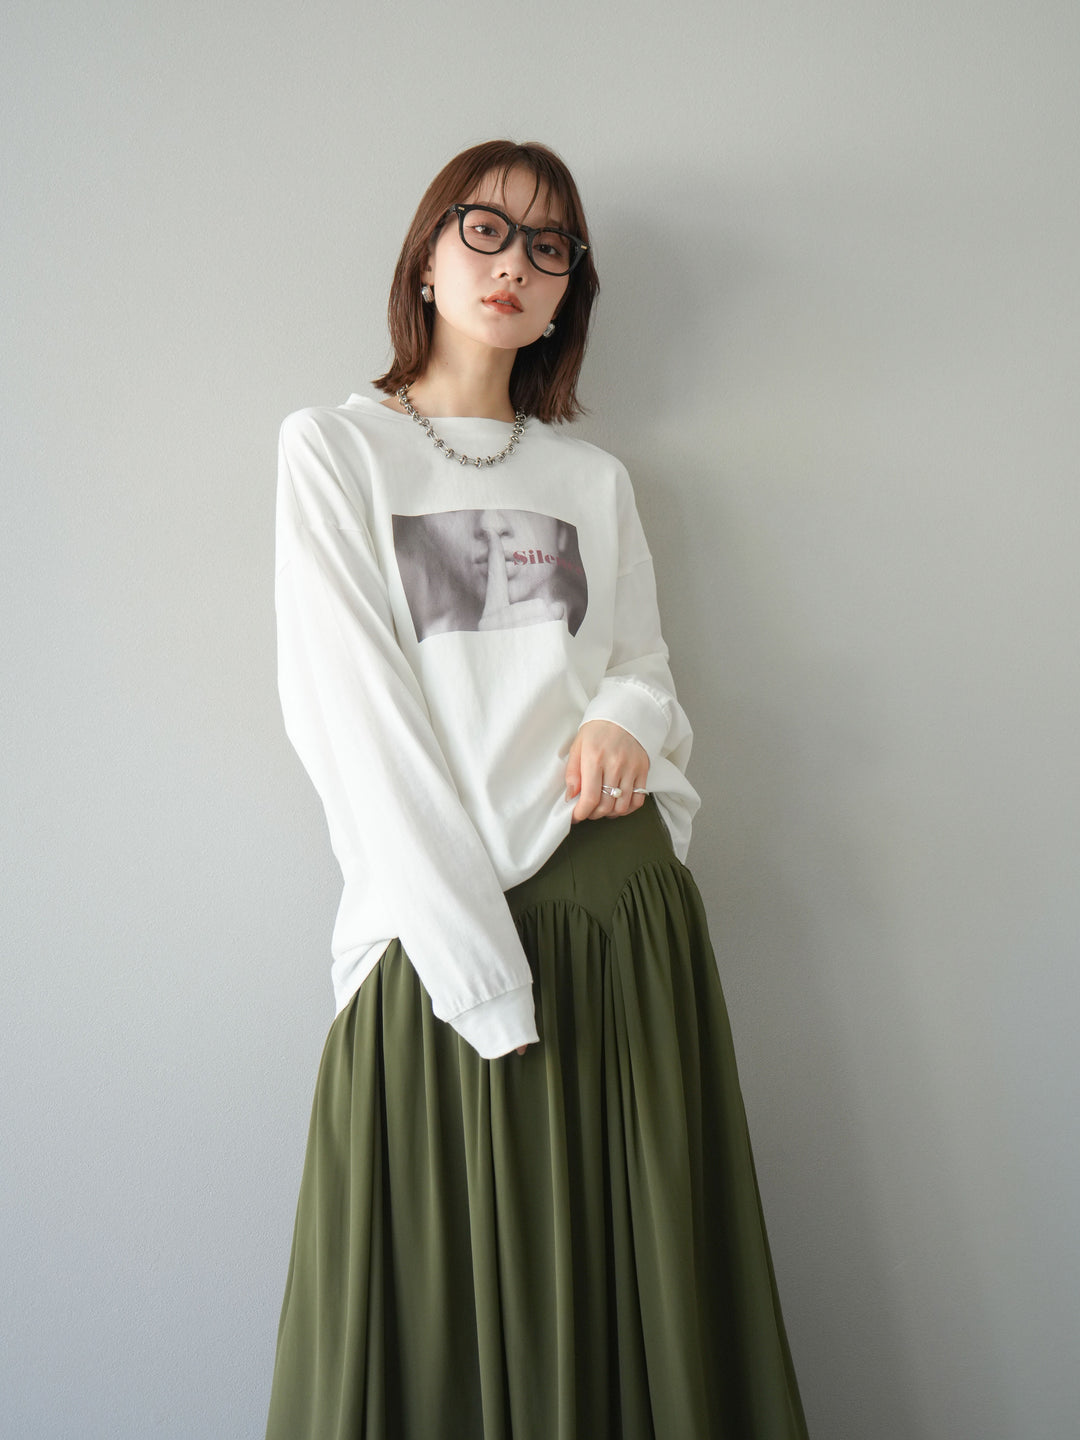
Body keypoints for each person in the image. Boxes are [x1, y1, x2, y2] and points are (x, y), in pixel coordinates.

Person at [266, 140, 809, 1440]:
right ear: (427, 254)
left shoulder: (592, 482)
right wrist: (478, 979)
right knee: (430, 1322)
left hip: (618, 917)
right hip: (441, 933)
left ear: (570, 294)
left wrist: (627, 722)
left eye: (549, 247)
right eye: (487, 229)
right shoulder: (335, 450)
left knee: (640, 1305)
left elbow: (641, 669)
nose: (514, 263)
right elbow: (355, 725)